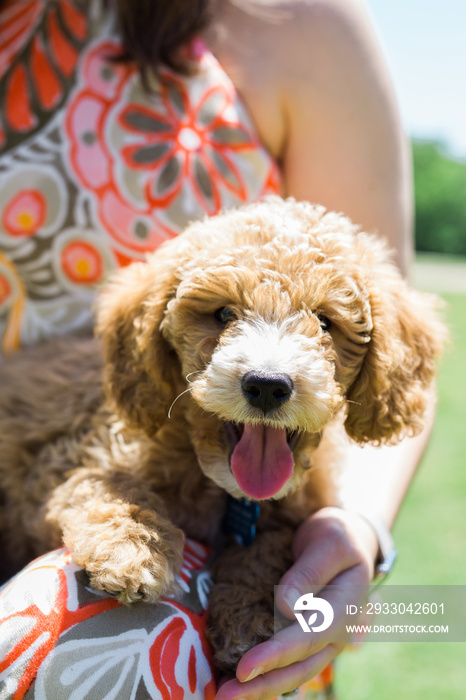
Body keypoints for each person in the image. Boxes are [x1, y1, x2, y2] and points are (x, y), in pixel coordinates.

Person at [0, 0, 434, 698]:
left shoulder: (303, 20)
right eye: (221, 315)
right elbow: (78, 476)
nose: (267, 362)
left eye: (324, 326)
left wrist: (355, 529)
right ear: (154, 337)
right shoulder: (134, 425)